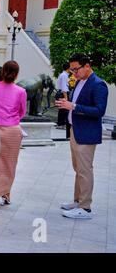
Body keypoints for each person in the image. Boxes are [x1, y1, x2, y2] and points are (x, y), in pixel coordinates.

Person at [55, 53, 108, 219]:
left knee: (85, 170)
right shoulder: (79, 81)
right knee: (78, 169)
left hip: (86, 133)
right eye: (71, 70)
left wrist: (74, 106)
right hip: (75, 130)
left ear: (87, 66)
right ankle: (78, 201)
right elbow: (75, 105)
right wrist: (66, 105)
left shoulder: (98, 84)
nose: (73, 73)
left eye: (76, 69)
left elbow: (99, 111)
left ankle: (85, 208)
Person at [0, 60, 27, 207]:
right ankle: (5, 193)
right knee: (9, 165)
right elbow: (22, 112)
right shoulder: (21, 91)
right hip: (12, 130)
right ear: (17, 74)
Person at [56, 63, 70, 129]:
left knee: (62, 109)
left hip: (61, 93)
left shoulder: (63, 74)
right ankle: (62, 124)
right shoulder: (64, 75)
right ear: (68, 68)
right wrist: (66, 97)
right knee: (64, 109)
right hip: (63, 94)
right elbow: (64, 87)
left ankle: (60, 123)